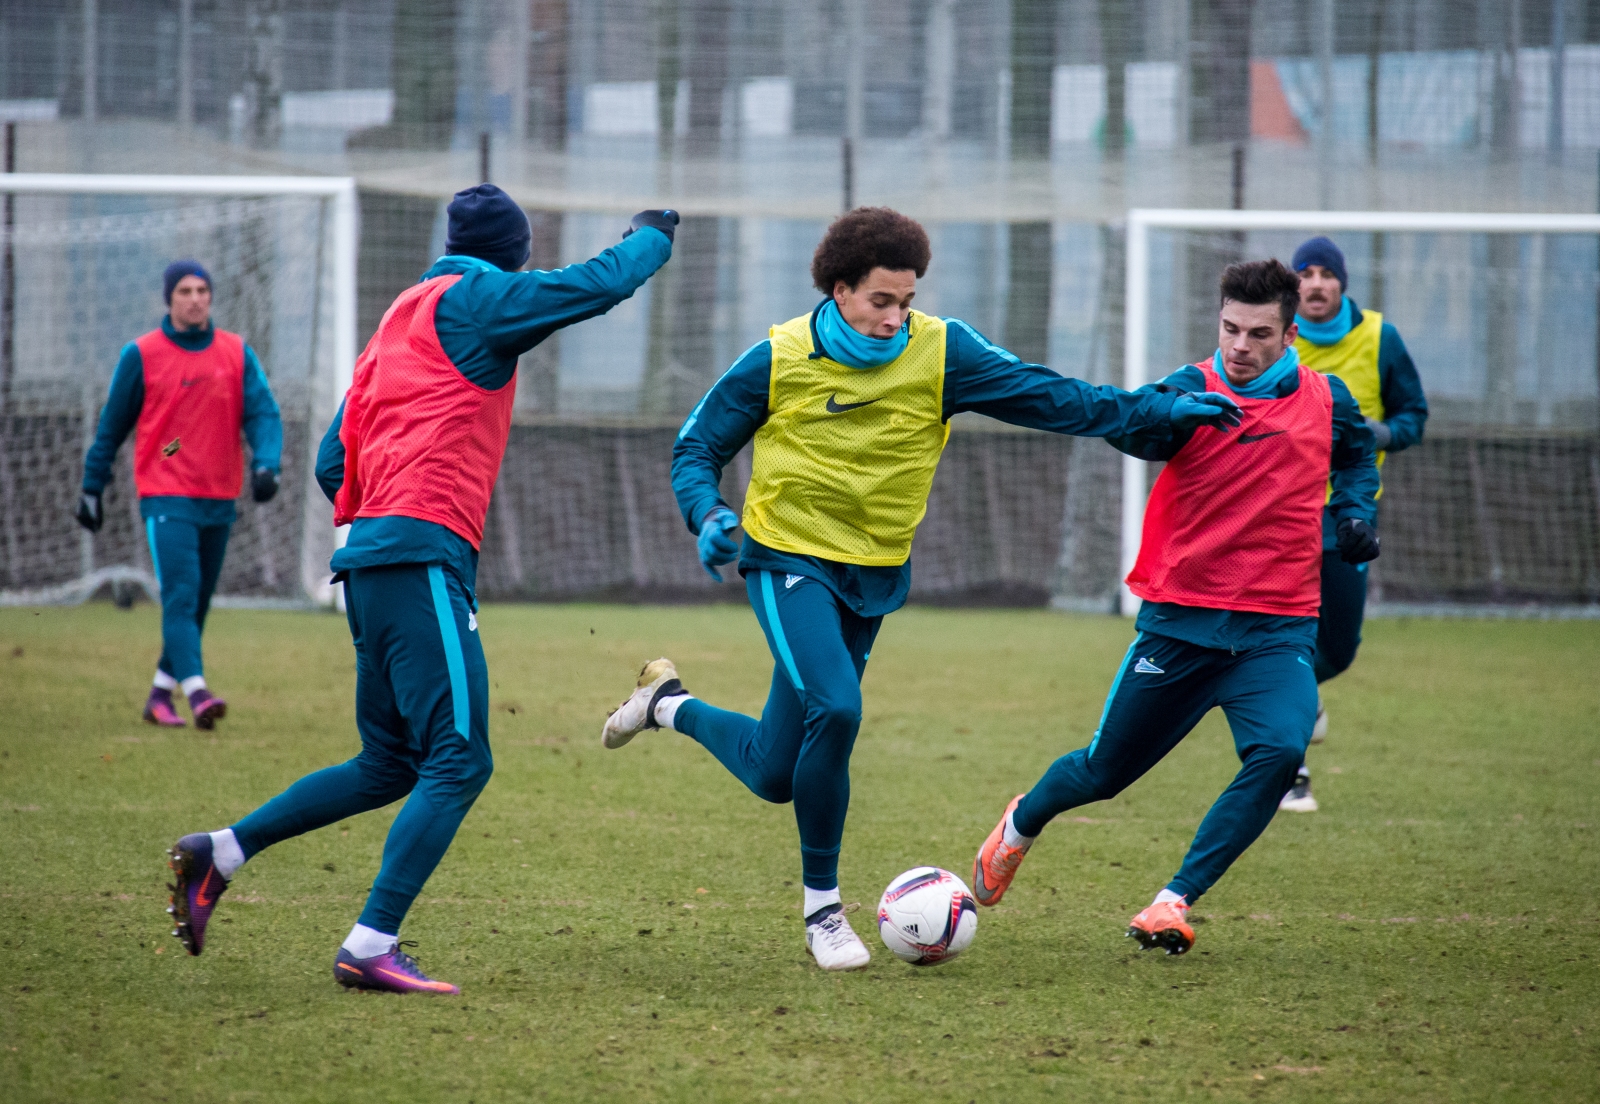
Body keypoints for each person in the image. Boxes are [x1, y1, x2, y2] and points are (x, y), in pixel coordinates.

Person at [599, 207, 1243, 971]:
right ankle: (823, 914)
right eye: (881, 301)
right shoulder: (779, 357)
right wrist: (706, 512)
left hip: (870, 577)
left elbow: (1054, 396)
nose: (897, 317)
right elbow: (697, 444)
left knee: (778, 769)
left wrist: (1156, 408)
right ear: (838, 290)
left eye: (907, 300)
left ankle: (664, 703)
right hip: (786, 560)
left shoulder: (943, 352)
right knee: (835, 709)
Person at [162, 185, 678, 994]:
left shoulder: (399, 318)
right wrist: (651, 233)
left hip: (370, 563)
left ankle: (221, 852)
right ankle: (370, 943)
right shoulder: (481, 298)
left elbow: (336, 459)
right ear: (512, 252)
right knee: (460, 760)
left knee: (390, 762)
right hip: (419, 557)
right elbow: (597, 285)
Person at [972, 259, 1379, 956]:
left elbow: (1357, 450)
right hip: (1182, 625)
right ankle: (1021, 824)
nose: (1240, 346)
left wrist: (1351, 509)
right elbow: (1130, 431)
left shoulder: (1326, 398)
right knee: (1102, 773)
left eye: (1258, 334)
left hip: (1276, 630)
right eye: (1229, 329)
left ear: (1290, 338)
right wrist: (1165, 414)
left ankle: (1172, 900)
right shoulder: (1192, 387)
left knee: (1280, 751)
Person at [77, 260, 283, 729]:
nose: (195, 298)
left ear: (211, 297)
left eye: (202, 290)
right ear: (168, 299)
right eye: (185, 290)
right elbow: (111, 427)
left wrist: (267, 462)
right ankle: (199, 692)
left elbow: (263, 415)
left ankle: (158, 695)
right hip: (166, 494)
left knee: (196, 603)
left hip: (220, 496)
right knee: (183, 596)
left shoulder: (235, 353)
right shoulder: (142, 354)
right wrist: (93, 486)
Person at [1279, 236, 1429, 813]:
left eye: (1326, 273)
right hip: (1281, 516)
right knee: (1284, 644)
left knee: (1337, 651)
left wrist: (1378, 435)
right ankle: (1291, 772)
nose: (1315, 284)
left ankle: (1303, 693)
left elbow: (1413, 415)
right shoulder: (1276, 339)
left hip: (1349, 516)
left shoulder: (1379, 337)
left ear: (1342, 282)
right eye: (1305, 273)